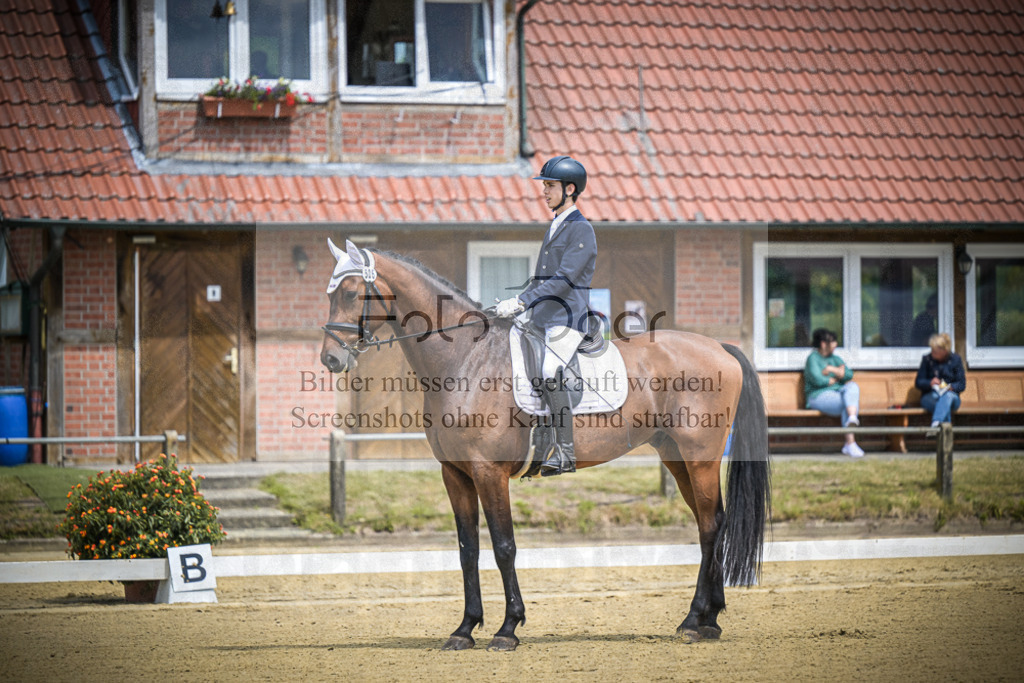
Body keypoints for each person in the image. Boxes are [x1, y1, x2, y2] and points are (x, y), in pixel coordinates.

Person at [496, 155, 596, 476]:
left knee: (550, 369)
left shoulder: (581, 229)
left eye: (550, 186)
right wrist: (516, 304)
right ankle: (538, 435)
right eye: (545, 186)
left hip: (568, 320)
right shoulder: (555, 225)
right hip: (544, 318)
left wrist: (523, 301)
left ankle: (565, 451)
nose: (545, 191)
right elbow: (542, 279)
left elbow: (564, 280)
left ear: (570, 189)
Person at [804, 328, 865, 457]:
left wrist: (832, 370)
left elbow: (848, 374)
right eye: (832, 341)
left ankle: (852, 419)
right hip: (817, 396)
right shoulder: (813, 358)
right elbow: (816, 379)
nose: (835, 344)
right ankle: (850, 443)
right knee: (847, 403)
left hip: (837, 393)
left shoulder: (835, 358)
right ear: (823, 344)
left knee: (853, 387)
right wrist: (834, 378)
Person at [915, 332, 966, 428]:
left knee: (948, 396)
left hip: (952, 398)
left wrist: (951, 387)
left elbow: (962, 384)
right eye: (932, 350)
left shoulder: (956, 360)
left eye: (935, 351)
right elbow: (918, 382)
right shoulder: (927, 359)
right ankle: (944, 431)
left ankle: (936, 422)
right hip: (930, 396)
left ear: (944, 351)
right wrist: (930, 382)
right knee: (943, 406)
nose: (932, 353)